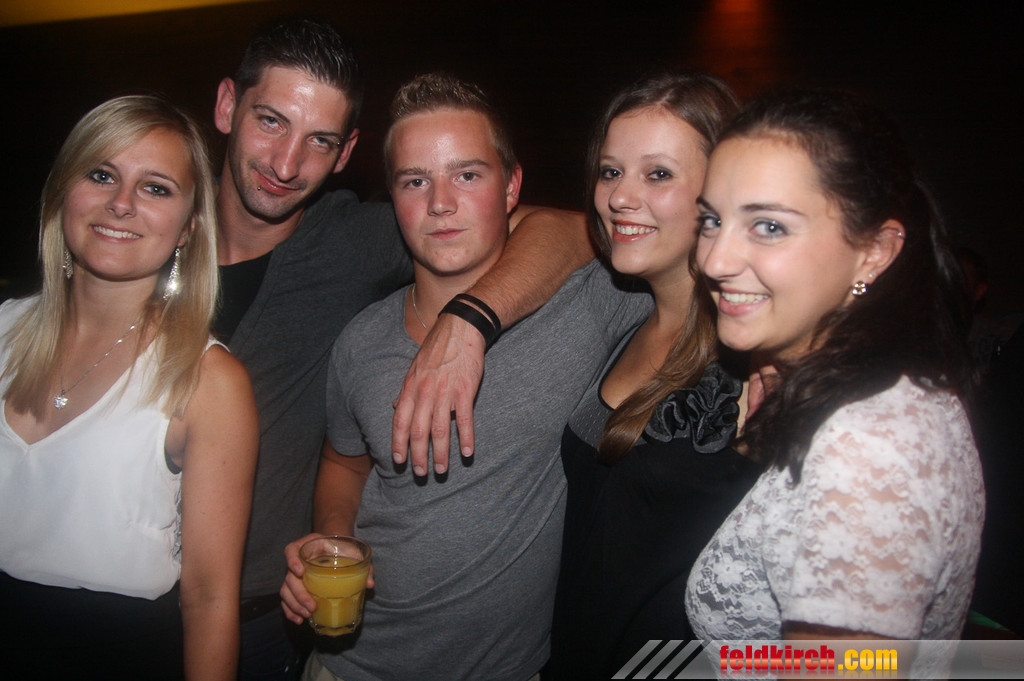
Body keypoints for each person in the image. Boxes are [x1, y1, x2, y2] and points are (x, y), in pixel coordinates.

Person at [212, 19, 592, 679]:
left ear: (345, 152)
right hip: (121, 595)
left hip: (271, 625)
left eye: (320, 139)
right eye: (271, 121)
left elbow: (579, 230)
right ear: (226, 106)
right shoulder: (149, 222)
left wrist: (469, 320)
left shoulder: (365, 239)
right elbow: (345, 459)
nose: (286, 163)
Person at [279, 73, 649, 681]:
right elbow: (344, 462)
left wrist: (471, 318)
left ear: (513, 187)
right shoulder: (361, 341)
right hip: (349, 666)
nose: (440, 203)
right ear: (392, 197)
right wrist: (335, 537)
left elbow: (625, 237)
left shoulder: (589, 304)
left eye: (468, 175)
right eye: (415, 181)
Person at [685, 90, 984, 660]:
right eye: (712, 220)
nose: (714, 261)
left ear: (874, 252)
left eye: (769, 226)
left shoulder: (869, 447)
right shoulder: (870, 381)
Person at [0, 95, 258, 680]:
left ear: (188, 228)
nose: (121, 203)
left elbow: (209, 599)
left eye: (155, 188)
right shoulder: (4, 330)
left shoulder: (208, 380)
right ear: (63, 192)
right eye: (101, 175)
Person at [548, 73, 761, 680]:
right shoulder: (624, 321)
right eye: (611, 171)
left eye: (658, 173)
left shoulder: (758, 361)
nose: (620, 196)